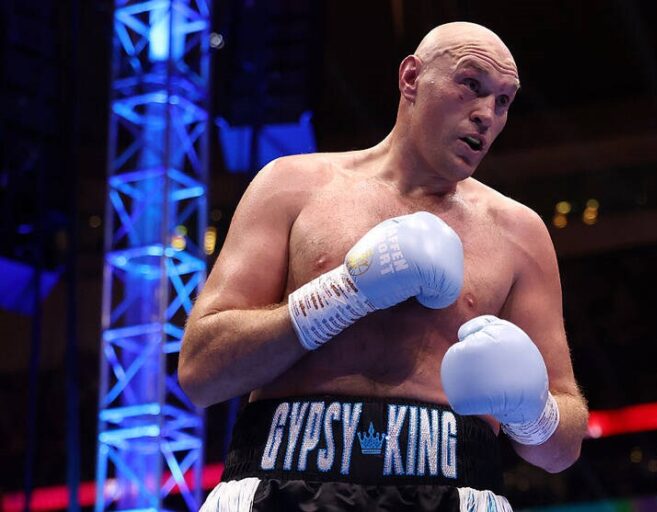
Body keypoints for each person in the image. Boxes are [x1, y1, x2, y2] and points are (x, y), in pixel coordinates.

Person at [180, 21, 588, 511]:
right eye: (471, 84)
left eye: (503, 101)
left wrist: (534, 412)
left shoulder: (518, 233)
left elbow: (562, 448)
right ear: (411, 78)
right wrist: (343, 293)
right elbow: (202, 372)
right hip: (280, 483)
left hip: (453, 490)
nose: (487, 114)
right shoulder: (292, 187)